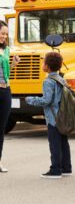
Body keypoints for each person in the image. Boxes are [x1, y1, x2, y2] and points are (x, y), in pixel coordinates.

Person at [26, 52, 71, 179]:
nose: (42, 64)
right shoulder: (61, 79)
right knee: (63, 142)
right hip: (63, 116)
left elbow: (46, 100)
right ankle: (66, 167)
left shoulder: (48, 81)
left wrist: (30, 99)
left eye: (43, 62)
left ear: (47, 66)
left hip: (53, 117)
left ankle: (55, 169)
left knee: (54, 143)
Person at [0, 20, 20, 173]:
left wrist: (13, 64)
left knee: (1, 128)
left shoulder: (6, 50)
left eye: (6, 34)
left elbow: (6, 72)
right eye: (2, 33)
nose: (4, 37)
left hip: (6, 90)